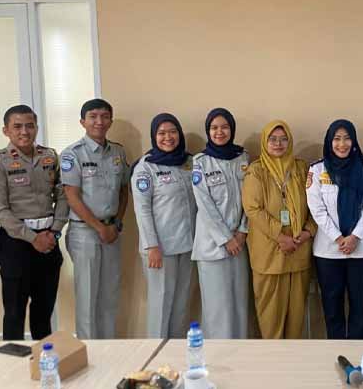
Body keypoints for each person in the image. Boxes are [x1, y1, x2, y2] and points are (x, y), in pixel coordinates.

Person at [0, 105, 68, 340]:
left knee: (44, 311)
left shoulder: (49, 156)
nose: (24, 131)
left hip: (48, 239)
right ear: (6, 130)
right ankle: (13, 359)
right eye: (17, 126)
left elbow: (62, 195)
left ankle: (44, 357)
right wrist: (32, 238)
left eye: (30, 125)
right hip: (16, 243)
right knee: (14, 313)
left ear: (37, 127)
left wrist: (55, 231)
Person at [307, 119, 363, 339]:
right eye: (337, 139)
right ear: (329, 141)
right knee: (332, 309)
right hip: (329, 250)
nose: (342, 144)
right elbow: (317, 209)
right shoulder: (317, 169)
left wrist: (355, 236)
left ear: (354, 140)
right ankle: (336, 352)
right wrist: (339, 238)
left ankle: (357, 354)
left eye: (347, 138)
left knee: (360, 308)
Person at [61, 98, 130, 339]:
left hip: (112, 232)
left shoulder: (118, 152)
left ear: (110, 120)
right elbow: (72, 196)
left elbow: (123, 191)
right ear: (83, 122)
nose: (99, 121)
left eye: (104, 116)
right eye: (93, 117)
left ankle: (109, 348)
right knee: (87, 298)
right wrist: (99, 227)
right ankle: (89, 350)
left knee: (110, 296)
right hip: (85, 233)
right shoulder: (72, 154)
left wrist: (116, 223)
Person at [242, 120, 317, 339]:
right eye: (272, 139)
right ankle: (272, 360)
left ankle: (292, 359)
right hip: (269, 255)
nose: (278, 144)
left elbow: (316, 204)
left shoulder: (301, 169)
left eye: (283, 139)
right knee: (270, 320)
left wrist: (308, 231)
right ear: (265, 142)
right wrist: (280, 236)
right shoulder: (256, 171)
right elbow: (252, 209)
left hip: (299, 251)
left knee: (296, 319)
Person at [131, 113, 197, 339]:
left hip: (188, 245)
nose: (168, 137)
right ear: (154, 136)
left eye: (172, 132)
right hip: (160, 249)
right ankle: (156, 352)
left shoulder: (189, 162)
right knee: (160, 304)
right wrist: (152, 246)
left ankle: (175, 352)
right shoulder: (145, 168)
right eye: (161, 133)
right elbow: (142, 210)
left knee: (181, 304)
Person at [191, 108, 250, 339]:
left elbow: (250, 200)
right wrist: (226, 239)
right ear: (208, 131)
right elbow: (204, 205)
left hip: (240, 243)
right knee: (218, 308)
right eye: (214, 128)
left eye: (224, 127)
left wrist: (242, 232)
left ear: (232, 129)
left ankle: (240, 353)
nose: (219, 132)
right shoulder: (200, 162)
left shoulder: (243, 158)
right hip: (212, 246)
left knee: (239, 304)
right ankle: (218, 355)